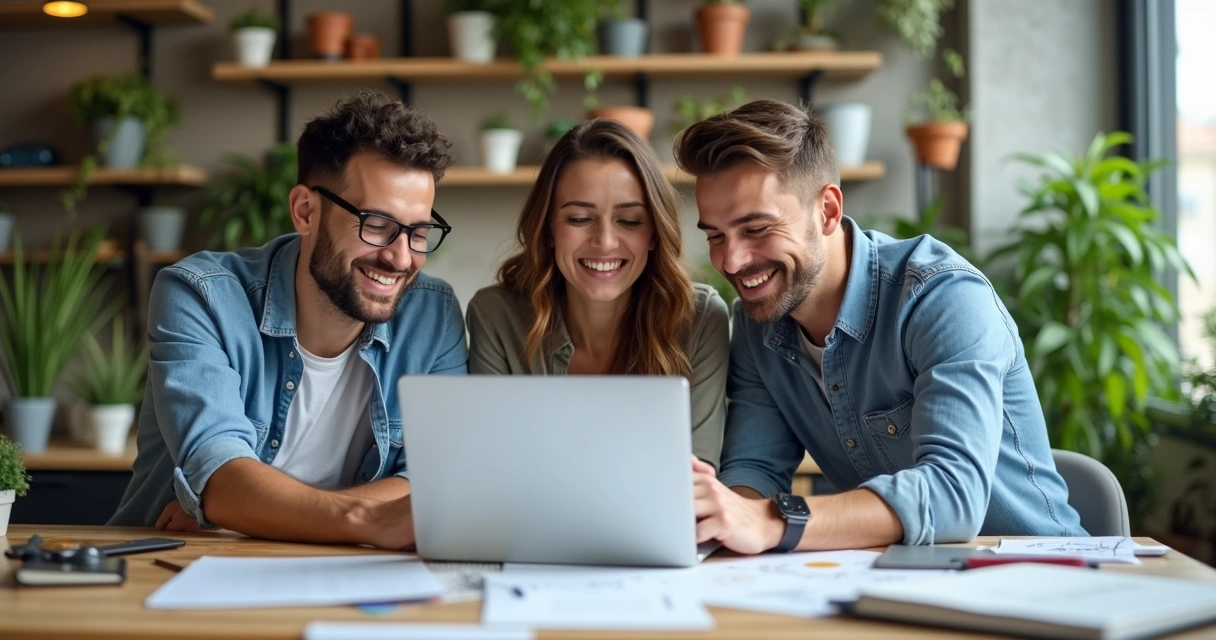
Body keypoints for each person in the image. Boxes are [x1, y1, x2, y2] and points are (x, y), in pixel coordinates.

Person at [675, 100, 1085, 553]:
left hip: (1043, 578)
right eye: (715, 235)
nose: (730, 261)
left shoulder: (942, 298)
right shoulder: (758, 323)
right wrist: (721, 520)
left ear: (828, 211)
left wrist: (773, 522)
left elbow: (953, 495)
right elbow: (756, 470)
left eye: (756, 229)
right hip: (900, 584)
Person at [109, 92, 467, 550]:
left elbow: (433, 477)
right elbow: (220, 473)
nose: (400, 257)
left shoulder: (432, 315)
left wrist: (256, 512)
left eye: (418, 233)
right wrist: (363, 517)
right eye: (376, 224)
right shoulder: (201, 295)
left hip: (350, 575)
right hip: (174, 566)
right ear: (305, 211)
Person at [465, 119, 730, 468]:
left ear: (654, 233)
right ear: (547, 230)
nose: (604, 241)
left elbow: (695, 483)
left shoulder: (699, 318)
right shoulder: (496, 316)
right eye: (578, 219)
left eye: (630, 221)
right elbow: (491, 470)